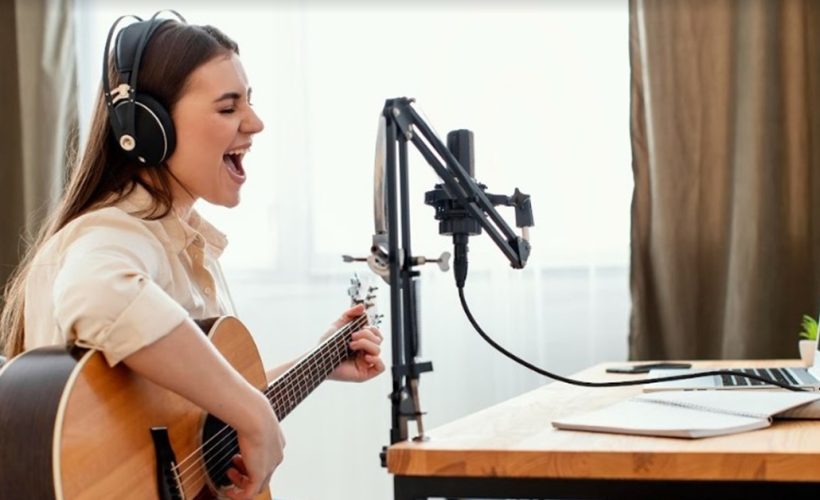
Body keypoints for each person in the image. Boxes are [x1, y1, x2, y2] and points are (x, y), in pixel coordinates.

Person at [0, 14, 384, 500]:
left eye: (250, 102)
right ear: (150, 129)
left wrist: (317, 362)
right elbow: (97, 295)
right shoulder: (115, 231)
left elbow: (188, 413)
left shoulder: (176, 240)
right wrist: (252, 412)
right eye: (228, 108)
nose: (256, 123)